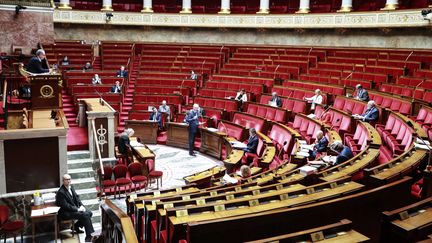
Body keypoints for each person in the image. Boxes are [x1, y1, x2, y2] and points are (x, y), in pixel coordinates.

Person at [56, 174, 95, 242]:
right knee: (85, 215)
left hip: (74, 209)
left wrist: (81, 206)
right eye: (67, 179)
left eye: (69, 179)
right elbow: (65, 205)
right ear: (63, 181)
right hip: (66, 212)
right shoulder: (61, 192)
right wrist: (77, 209)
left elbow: (77, 198)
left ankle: (76, 226)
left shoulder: (71, 187)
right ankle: (88, 236)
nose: (68, 181)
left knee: (89, 213)